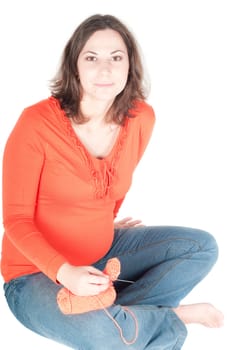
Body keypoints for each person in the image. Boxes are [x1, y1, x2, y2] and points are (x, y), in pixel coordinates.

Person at [1, 14, 223, 350]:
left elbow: (113, 189)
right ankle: (173, 317)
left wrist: (99, 224)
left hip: (104, 254)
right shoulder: (36, 124)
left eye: (115, 58)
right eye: (92, 58)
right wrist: (66, 272)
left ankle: (121, 314)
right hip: (33, 275)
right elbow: (15, 220)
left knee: (201, 248)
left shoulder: (140, 118)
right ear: (74, 66)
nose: (104, 69)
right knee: (103, 335)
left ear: (129, 66)